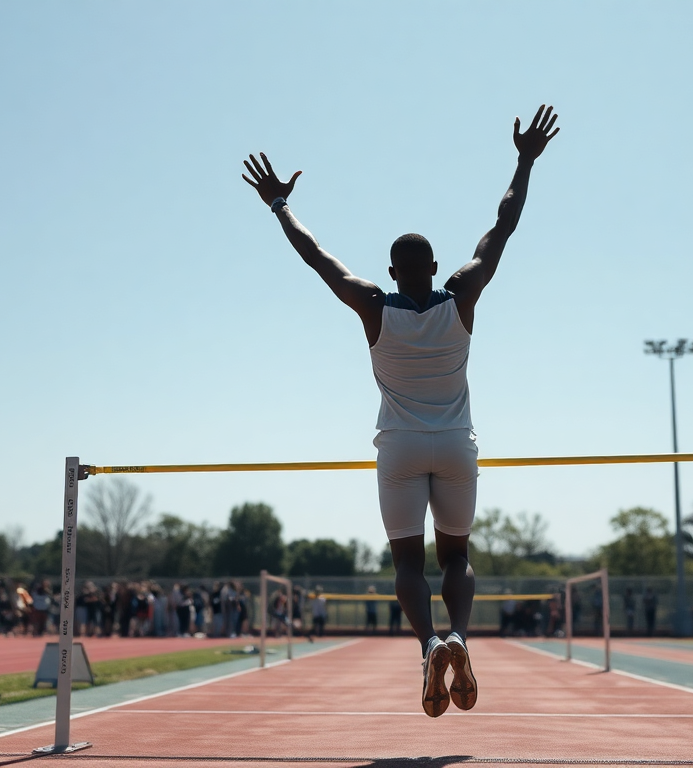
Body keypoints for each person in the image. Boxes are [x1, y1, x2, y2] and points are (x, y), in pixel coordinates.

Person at [241, 106, 559, 718]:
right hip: (457, 445)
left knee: (407, 562)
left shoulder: (372, 306)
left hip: (400, 449)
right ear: (435, 268)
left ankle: (429, 644)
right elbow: (502, 227)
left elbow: (317, 258)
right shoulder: (463, 294)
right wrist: (523, 160)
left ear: (391, 272)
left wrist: (280, 206)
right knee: (457, 556)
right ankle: (461, 636)